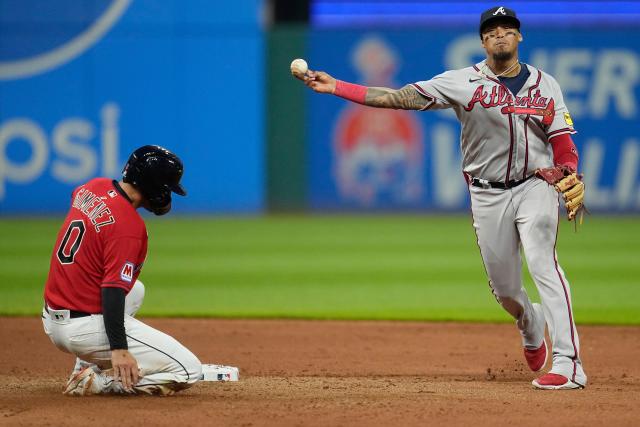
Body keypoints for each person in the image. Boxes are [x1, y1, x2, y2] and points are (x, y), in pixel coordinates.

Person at [298, 6, 587, 390]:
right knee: (505, 291)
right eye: (492, 31)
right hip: (487, 195)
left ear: (520, 37)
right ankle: (531, 323)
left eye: (508, 29)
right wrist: (337, 86)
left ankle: (570, 363)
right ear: (483, 41)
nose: (500, 34)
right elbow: (398, 97)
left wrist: (568, 170)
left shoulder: (546, 84)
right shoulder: (462, 82)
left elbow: (563, 143)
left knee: (542, 261)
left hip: (535, 185)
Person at [42, 145, 202, 396]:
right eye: (166, 187)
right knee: (189, 370)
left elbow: (81, 203)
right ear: (152, 185)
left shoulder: (93, 187)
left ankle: (84, 366)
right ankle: (97, 383)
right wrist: (120, 349)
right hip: (81, 329)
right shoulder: (128, 226)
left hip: (52, 317)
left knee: (135, 289)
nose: (166, 194)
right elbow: (113, 289)